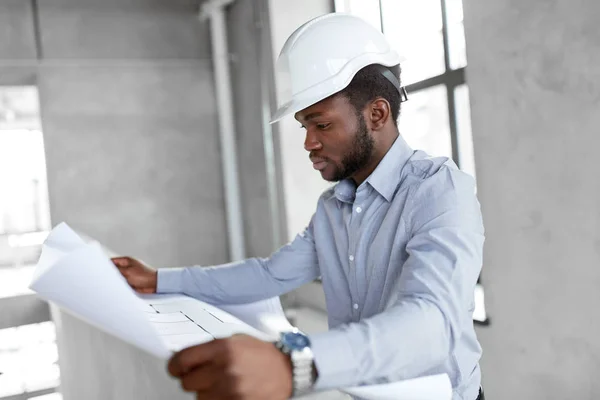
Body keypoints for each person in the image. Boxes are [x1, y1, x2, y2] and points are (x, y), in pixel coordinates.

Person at [113, 12, 485, 400]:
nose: (308, 142)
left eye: (321, 125)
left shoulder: (440, 192)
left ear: (377, 114)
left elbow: (432, 322)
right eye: (303, 126)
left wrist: (295, 364)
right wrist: (161, 280)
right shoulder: (334, 207)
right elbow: (269, 275)